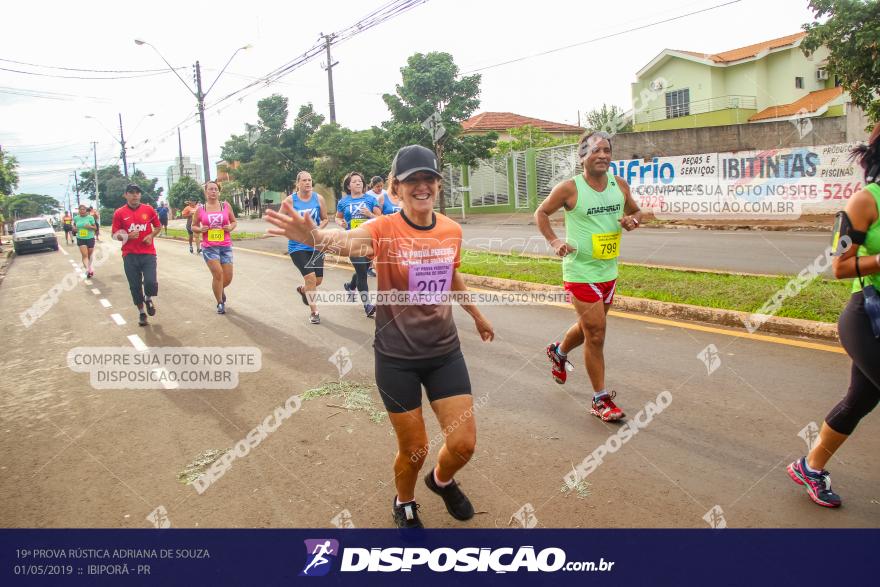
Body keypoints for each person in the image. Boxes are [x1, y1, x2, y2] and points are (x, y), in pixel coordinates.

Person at [267, 144, 495, 530]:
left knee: (463, 444)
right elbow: (346, 241)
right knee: (415, 448)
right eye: (412, 181)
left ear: (438, 184)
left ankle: (440, 481)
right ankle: (404, 502)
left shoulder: (451, 230)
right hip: (397, 358)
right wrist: (317, 236)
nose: (422, 187)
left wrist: (476, 314)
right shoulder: (383, 229)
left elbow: (452, 273)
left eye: (429, 179)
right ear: (395, 188)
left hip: (444, 352)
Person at [787, 122, 880, 508]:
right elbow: (840, 267)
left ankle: (811, 466)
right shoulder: (864, 201)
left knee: (860, 399)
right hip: (868, 317)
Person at [535, 131, 642, 422]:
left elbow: (636, 212)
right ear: (582, 156)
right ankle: (600, 399)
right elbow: (541, 213)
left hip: (609, 271)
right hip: (580, 271)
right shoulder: (569, 189)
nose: (603, 155)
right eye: (596, 150)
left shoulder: (619, 185)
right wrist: (555, 242)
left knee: (588, 328)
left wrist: (632, 221)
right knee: (596, 333)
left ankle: (558, 351)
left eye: (607, 150)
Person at [111, 184, 162, 327]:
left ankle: (148, 298)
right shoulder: (119, 213)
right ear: (125, 195)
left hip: (148, 253)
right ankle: (141, 313)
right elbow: (114, 235)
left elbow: (158, 226)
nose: (135, 195)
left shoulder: (148, 209)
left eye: (137, 193)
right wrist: (127, 236)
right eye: (131, 193)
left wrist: (151, 235)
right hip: (130, 254)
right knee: (134, 286)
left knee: (151, 282)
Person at [283, 171, 329, 324]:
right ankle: (314, 312)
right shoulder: (290, 200)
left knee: (318, 280)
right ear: (298, 183)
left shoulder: (318, 198)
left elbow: (325, 219)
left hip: (316, 244)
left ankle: (304, 290)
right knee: (310, 278)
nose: (308, 183)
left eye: (310, 180)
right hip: (297, 246)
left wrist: (318, 228)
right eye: (304, 180)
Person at [336, 171, 380, 317]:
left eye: (360, 181)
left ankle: (350, 286)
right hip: (352, 241)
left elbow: (381, 219)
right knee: (362, 271)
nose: (358, 183)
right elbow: (338, 217)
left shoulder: (371, 200)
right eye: (354, 181)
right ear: (349, 186)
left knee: (362, 268)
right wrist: (340, 222)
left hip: (368, 241)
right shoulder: (343, 202)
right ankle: (367, 305)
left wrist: (370, 215)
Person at [191, 181, 237, 314]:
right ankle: (220, 303)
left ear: (219, 192)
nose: (213, 191)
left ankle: (220, 289)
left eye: (215, 189)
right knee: (218, 274)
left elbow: (234, 221)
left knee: (227, 277)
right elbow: (193, 226)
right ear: (205, 192)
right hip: (209, 247)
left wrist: (230, 227)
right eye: (210, 189)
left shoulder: (225, 206)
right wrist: (200, 229)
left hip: (225, 246)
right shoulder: (201, 209)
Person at [73, 204, 98, 277]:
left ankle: (89, 267)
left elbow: (95, 228)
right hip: (81, 238)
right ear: (79, 211)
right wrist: (74, 228)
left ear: (86, 210)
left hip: (90, 238)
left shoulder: (90, 217)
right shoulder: (76, 218)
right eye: (80, 210)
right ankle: (88, 270)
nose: (82, 211)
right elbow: (74, 225)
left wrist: (89, 226)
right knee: (85, 255)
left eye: (83, 209)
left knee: (89, 255)